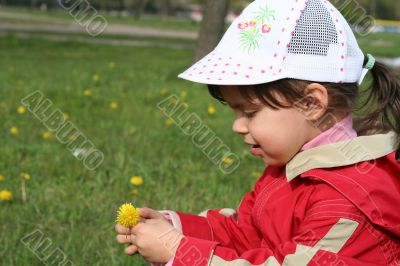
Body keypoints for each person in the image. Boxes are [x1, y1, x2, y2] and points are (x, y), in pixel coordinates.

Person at [116, 0, 400, 265]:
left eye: (250, 112)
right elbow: (246, 234)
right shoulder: (292, 165)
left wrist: (183, 254)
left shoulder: (346, 204)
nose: (237, 126)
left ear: (312, 103)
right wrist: (176, 229)